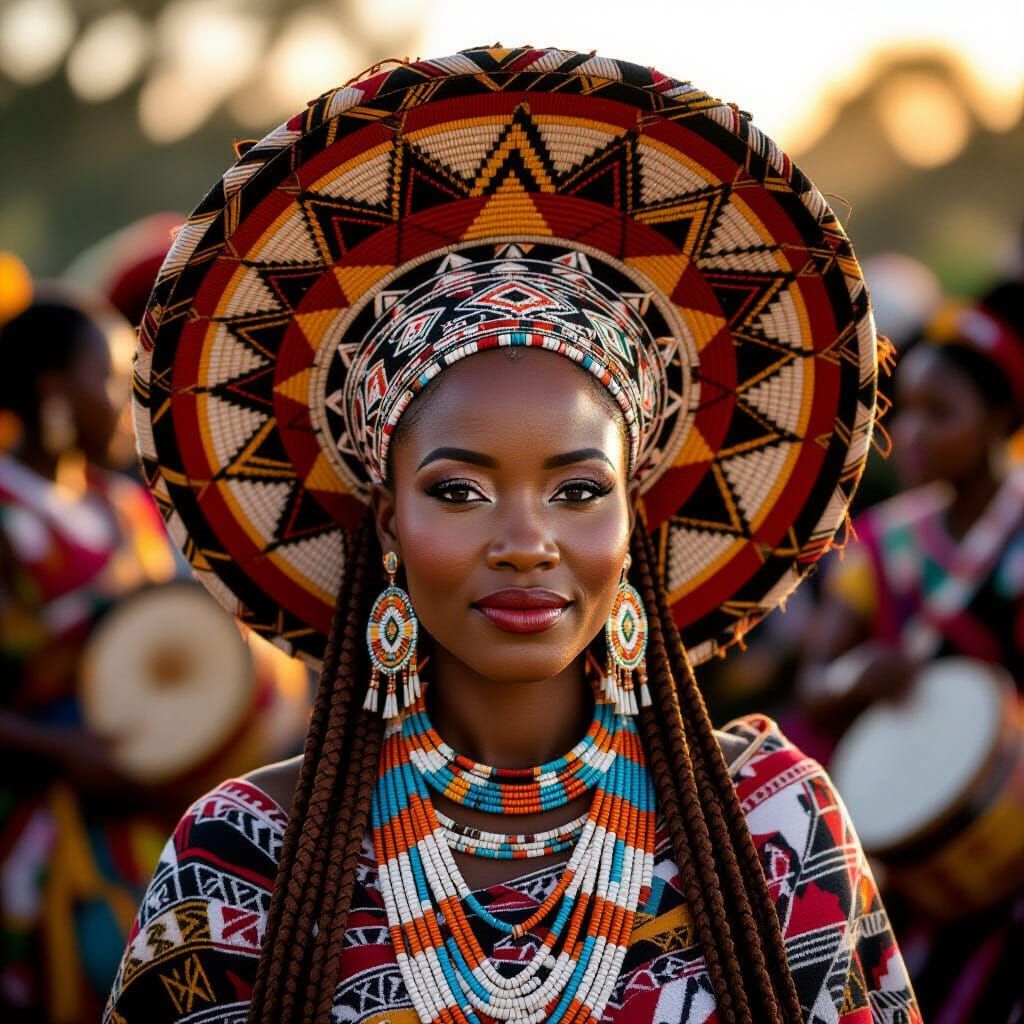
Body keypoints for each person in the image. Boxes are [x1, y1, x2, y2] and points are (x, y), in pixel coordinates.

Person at [104, 47, 920, 1023]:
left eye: (578, 490)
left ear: (634, 521)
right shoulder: (245, 860)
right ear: (388, 521)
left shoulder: (774, 828)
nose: (527, 541)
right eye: (458, 491)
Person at [799, 284, 1024, 1023]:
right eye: (907, 411)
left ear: (1001, 418)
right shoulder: (878, 543)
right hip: (919, 859)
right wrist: (860, 674)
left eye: (943, 413)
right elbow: (814, 687)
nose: (915, 434)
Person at [0, 284, 180, 1019]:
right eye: (107, 375)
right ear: (51, 389)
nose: (121, 396)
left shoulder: (126, 505)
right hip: (41, 827)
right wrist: (65, 752)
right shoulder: (7, 516)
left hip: (146, 811)